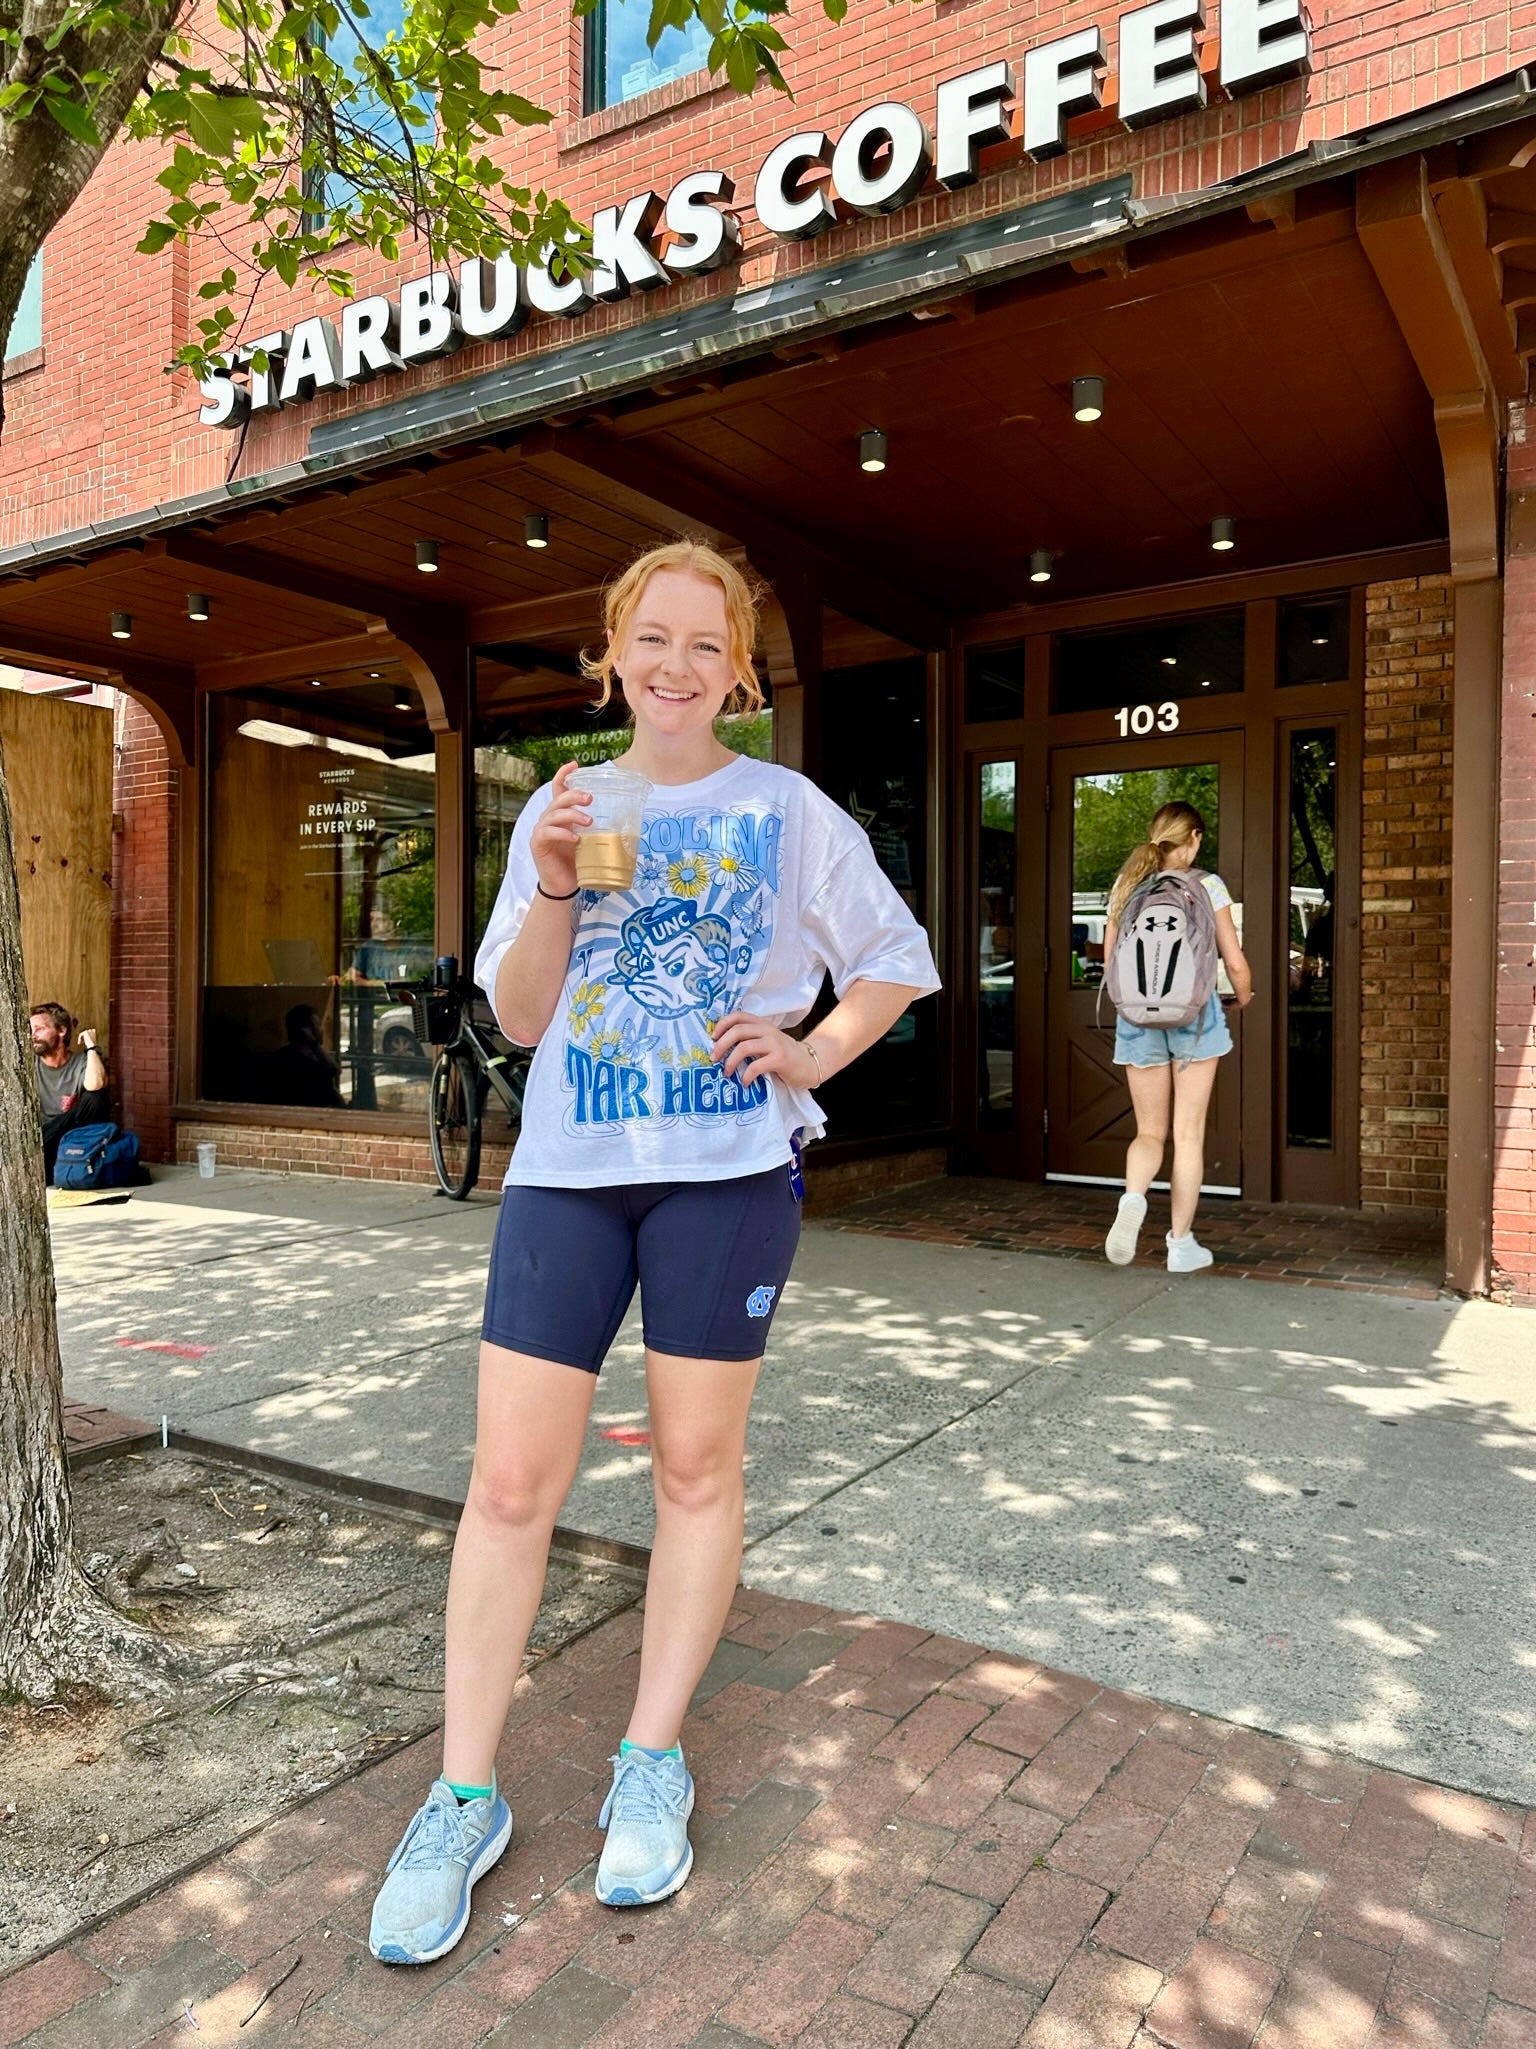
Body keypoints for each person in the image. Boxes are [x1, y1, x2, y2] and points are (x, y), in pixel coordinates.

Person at [368, 539, 940, 1966]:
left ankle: (651, 1759)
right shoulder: (564, 805)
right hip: (569, 1175)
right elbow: (513, 1014)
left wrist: (809, 1047)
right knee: (509, 1485)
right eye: (655, 638)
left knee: (694, 1470)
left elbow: (895, 957)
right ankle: (463, 1794)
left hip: (727, 1177)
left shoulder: (785, 809)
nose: (679, 665)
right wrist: (554, 880)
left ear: (737, 669)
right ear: (611, 652)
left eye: (708, 644)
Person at [1101, 803, 1252, 1274]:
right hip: (1195, 1016)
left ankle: (1132, 1197)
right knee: (1188, 1136)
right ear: (1196, 839)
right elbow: (1234, 961)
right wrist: (1243, 997)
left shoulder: (1126, 885)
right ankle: (1181, 1245)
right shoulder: (1208, 885)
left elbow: (1110, 967)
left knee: (1149, 1132)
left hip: (1137, 1018)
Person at [30, 1002, 109, 1182]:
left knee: (95, 1098)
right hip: (42, 1140)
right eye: (31, 1030)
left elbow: (96, 1083)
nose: (33, 1035)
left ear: (62, 1031)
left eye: (39, 1029)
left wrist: (91, 1047)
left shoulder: (80, 1063)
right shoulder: (28, 1066)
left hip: (74, 1140)